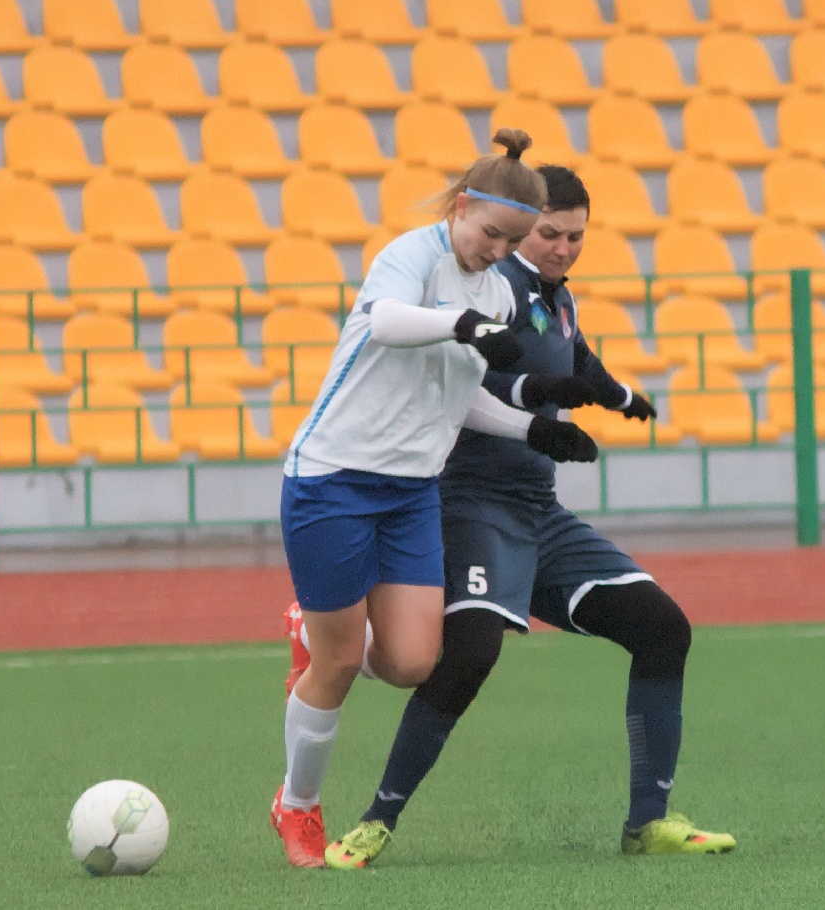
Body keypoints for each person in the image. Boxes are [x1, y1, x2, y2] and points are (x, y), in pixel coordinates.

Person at [286, 165, 735, 868]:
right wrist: (515, 377)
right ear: (474, 211)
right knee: (461, 655)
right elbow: (429, 344)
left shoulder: (531, 294)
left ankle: (648, 822)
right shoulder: (447, 267)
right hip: (452, 500)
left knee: (660, 627)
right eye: (544, 234)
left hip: (522, 506)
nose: (556, 248)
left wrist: (591, 407)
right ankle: (366, 819)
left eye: (573, 237)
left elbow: (516, 375)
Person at [272, 131, 601, 868]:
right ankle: (297, 808)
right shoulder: (411, 255)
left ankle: (316, 631)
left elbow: (459, 395)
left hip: (411, 492)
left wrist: (533, 429)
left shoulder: (494, 292)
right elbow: (388, 322)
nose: (497, 251)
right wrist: (462, 324)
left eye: (510, 241)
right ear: (460, 209)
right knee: (336, 665)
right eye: (491, 234)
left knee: (415, 661)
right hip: (334, 480)